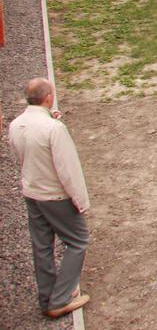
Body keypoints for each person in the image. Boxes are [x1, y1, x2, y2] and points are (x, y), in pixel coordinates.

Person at [7, 77, 91, 318]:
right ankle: (61, 298)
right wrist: (80, 201)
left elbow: (20, 151)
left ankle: (46, 298)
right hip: (55, 195)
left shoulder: (17, 124)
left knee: (42, 245)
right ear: (48, 98)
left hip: (31, 192)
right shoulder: (54, 130)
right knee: (78, 241)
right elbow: (68, 169)